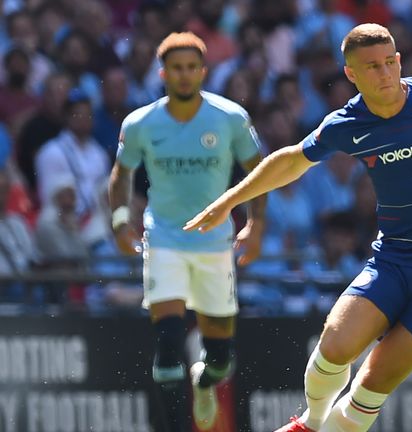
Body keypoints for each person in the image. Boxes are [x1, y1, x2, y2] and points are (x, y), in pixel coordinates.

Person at [183, 23, 412, 432]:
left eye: (390, 62)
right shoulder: (348, 122)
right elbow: (290, 160)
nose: (386, 73)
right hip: (394, 259)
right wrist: (228, 201)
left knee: (372, 382)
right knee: (334, 348)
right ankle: (311, 421)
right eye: (372, 66)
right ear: (351, 74)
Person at [108, 32, 265, 431]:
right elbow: (121, 174)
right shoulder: (141, 123)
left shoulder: (229, 117)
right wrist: (119, 221)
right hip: (162, 240)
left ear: (203, 72)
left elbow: (258, 173)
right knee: (167, 347)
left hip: (215, 243)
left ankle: (206, 382)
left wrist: (255, 224)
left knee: (220, 359)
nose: (184, 75)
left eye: (191, 67)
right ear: (163, 73)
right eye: (176, 68)